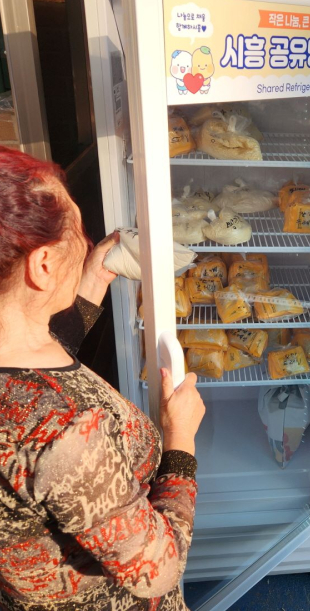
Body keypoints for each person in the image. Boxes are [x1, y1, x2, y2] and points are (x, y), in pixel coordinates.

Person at [0, 146, 205, 610]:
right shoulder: (63, 432)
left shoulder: (16, 355)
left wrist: (94, 275)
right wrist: (180, 441)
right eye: (79, 231)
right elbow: (155, 569)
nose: (86, 240)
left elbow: (39, 353)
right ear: (43, 265)